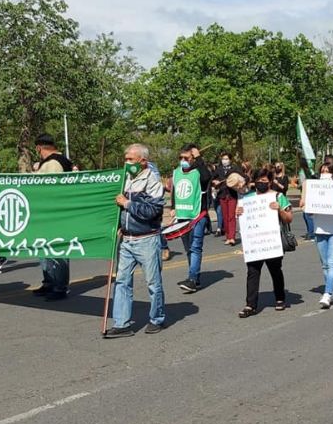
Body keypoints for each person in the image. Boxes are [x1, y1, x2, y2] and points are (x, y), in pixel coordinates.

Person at [103, 144, 166, 338]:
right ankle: (122, 323)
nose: (127, 162)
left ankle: (157, 319)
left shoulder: (153, 180)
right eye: (126, 158)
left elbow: (152, 211)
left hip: (147, 239)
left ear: (142, 161)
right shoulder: (125, 179)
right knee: (121, 282)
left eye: (131, 159)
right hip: (127, 240)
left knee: (153, 283)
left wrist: (127, 203)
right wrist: (121, 224)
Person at [236, 168, 294, 317]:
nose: (262, 183)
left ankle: (280, 298)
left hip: (271, 242)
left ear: (270, 182)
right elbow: (243, 219)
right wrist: (239, 213)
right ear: (254, 181)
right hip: (255, 243)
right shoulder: (247, 198)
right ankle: (250, 305)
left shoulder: (278, 196)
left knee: (275, 270)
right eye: (259, 180)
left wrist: (279, 209)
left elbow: (288, 218)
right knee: (252, 272)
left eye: (265, 181)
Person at [31, 134, 73, 301]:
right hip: (47, 215)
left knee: (57, 251)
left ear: (39, 148)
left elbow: (50, 188)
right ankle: (49, 281)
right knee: (44, 250)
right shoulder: (55, 162)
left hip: (56, 214)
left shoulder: (54, 163)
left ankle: (59, 286)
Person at [302, 163, 333, 309]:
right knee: (325, 264)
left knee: (332, 262)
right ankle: (332, 292)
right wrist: (305, 206)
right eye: (322, 171)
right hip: (320, 230)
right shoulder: (314, 190)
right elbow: (309, 213)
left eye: (327, 171)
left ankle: (327, 293)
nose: (325, 174)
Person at [171, 143, 212, 293]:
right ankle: (194, 277)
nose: (183, 160)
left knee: (195, 248)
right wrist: (173, 208)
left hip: (197, 216)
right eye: (181, 157)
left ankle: (193, 279)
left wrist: (199, 157)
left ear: (193, 158)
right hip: (182, 217)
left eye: (187, 157)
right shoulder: (176, 172)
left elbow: (207, 177)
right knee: (188, 249)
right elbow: (175, 190)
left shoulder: (199, 173)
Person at [213, 152, 243, 246]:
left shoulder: (235, 168)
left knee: (231, 216)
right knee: (225, 217)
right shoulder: (219, 169)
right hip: (222, 195)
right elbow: (212, 179)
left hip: (232, 194)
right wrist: (215, 182)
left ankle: (232, 237)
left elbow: (243, 177)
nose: (224, 160)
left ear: (230, 160)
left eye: (226, 159)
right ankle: (227, 237)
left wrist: (239, 182)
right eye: (223, 159)